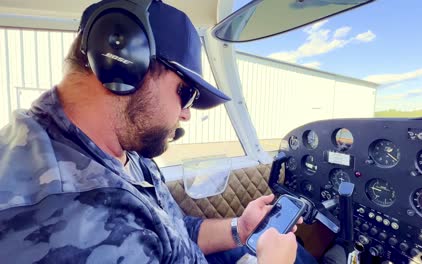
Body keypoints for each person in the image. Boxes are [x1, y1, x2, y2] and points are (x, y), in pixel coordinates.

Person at [0, 0, 318, 263]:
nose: (186, 113)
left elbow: (171, 230)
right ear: (123, 60)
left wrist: (239, 229)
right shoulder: (73, 219)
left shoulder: (120, 147)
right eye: (186, 92)